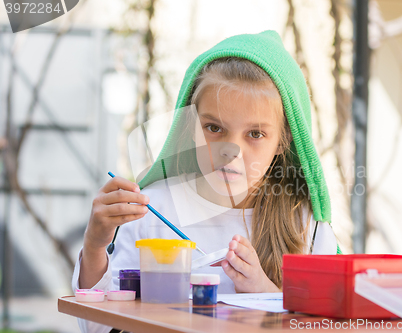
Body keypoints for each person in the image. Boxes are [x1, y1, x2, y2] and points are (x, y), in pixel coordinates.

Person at [72, 30, 340, 333]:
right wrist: (94, 246)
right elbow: (96, 328)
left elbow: (326, 324)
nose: (230, 152)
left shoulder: (305, 223)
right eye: (214, 128)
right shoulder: (151, 208)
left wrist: (264, 294)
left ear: (283, 141)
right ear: (189, 126)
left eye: (255, 134)